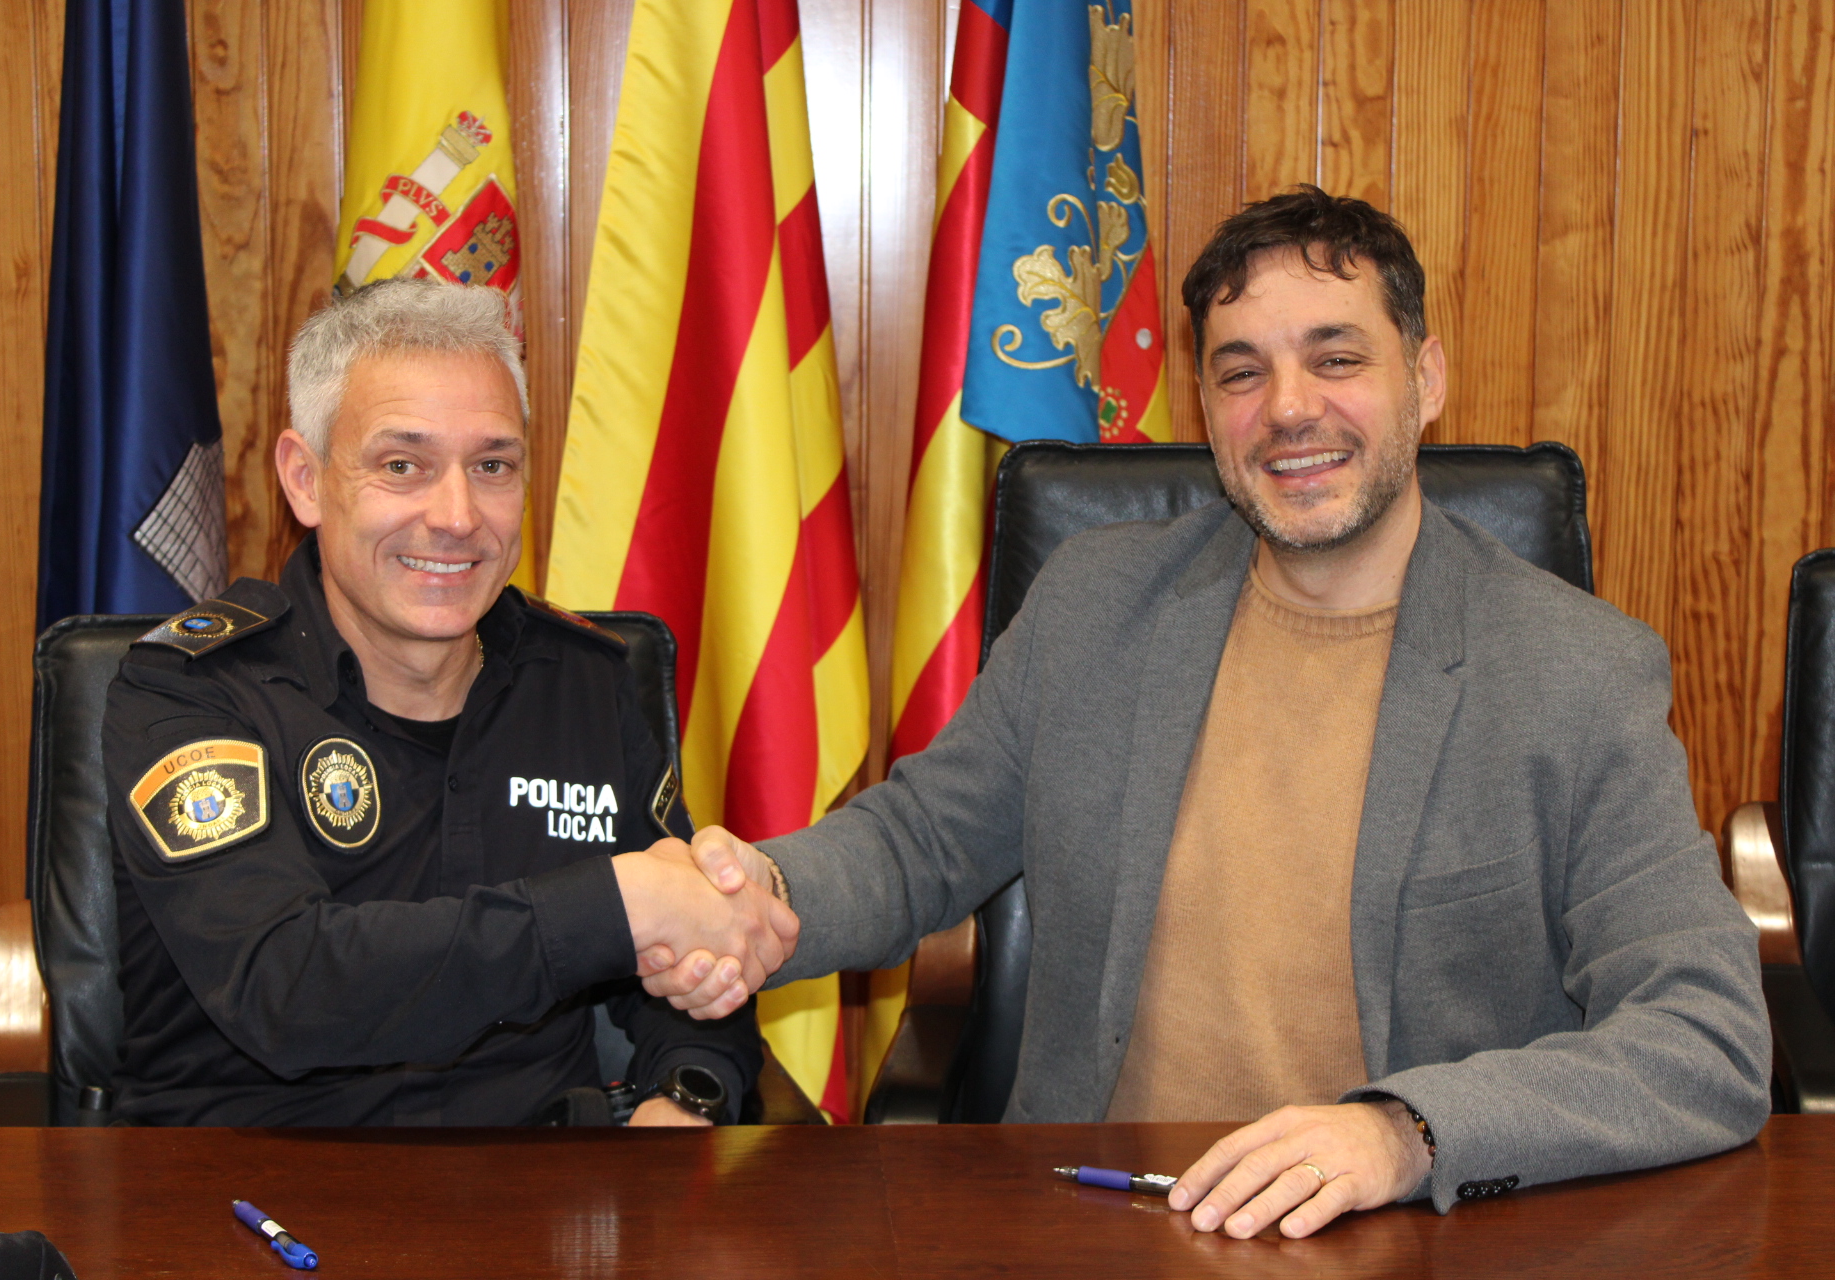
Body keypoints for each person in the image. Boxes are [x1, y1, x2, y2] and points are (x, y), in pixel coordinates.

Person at [649, 187, 1771, 1232]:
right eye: (1242, 372)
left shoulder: (1576, 674)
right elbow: (920, 841)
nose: (1288, 408)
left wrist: (1408, 1132)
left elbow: (1706, 1033)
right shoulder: (1095, 604)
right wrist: (765, 895)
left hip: (1397, 1233)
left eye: (1336, 357)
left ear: (1426, 377)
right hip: (1101, 1220)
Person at [105, 278, 796, 1127]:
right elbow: (283, 986)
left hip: (541, 1181)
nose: (458, 516)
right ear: (306, 480)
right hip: (252, 1181)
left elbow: (688, 970)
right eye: (403, 466)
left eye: (492, 466)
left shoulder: (581, 680)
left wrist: (686, 1092)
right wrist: (615, 906)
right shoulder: (191, 691)